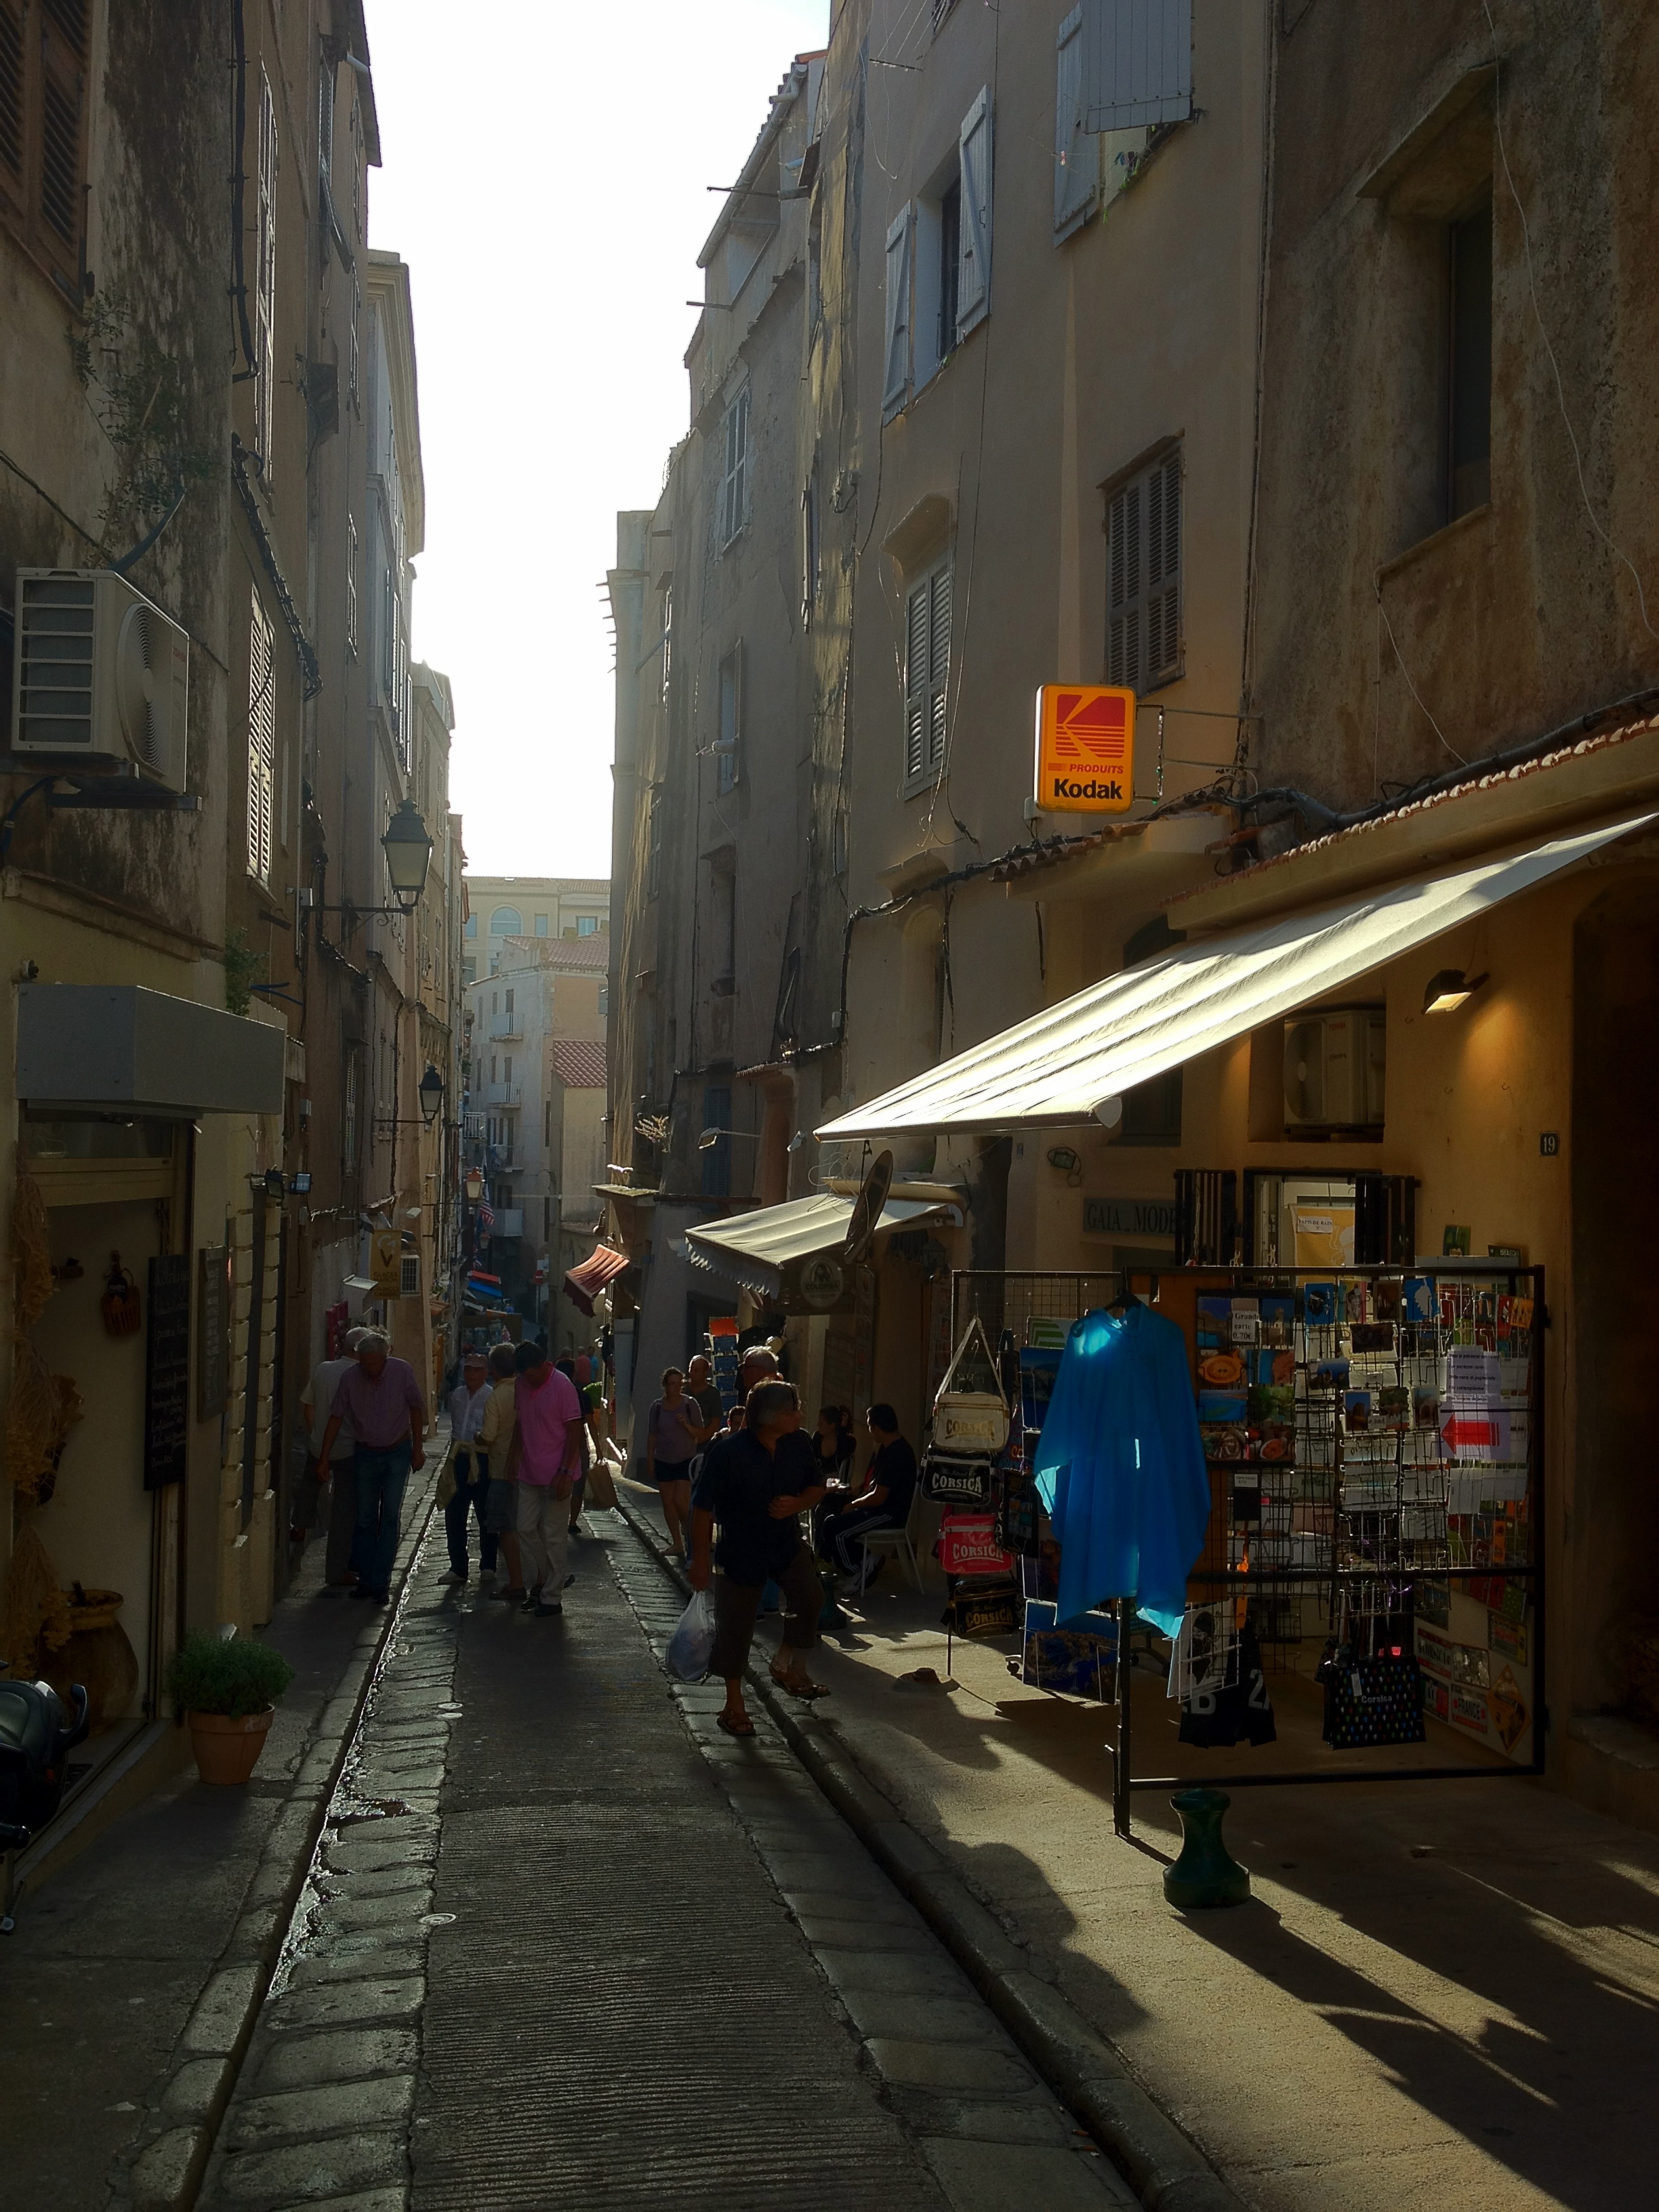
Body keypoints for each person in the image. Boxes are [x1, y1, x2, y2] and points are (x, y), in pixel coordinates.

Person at [689, 1380, 829, 1733]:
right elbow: (702, 1508)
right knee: (736, 1628)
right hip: (741, 1547)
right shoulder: (728, 1451)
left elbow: (817, 1486)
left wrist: (797, 1504)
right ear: (768, 1417)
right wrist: (701, 1561)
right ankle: (733, 1706)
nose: (798, 1415)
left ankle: (786, 1664)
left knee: (810, 1598)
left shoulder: (798, 1444)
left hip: (784, 1542)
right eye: (789, 1411)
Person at [317, 1328, 428, 1605]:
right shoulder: (350, 1378)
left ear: (385, 1357)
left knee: (389, 1515)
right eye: (364, 1362)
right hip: (365, 1452)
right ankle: (366, 1579)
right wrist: (324, 1457)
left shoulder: (402, 1372)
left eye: (374, 1363)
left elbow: (416, 1408)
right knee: (365, 1517)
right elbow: (335, 1417)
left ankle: (381, 1581)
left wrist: (417, 1449)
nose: (369, 1369)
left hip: (397, 1452)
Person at [512, 1341, 585, 1616]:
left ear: (544, 1365)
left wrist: (566, 1473)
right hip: (529, 1472)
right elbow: (521, 1423)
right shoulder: (521, 1384)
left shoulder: (562, 1386)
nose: (528, 1380)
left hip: (558, 1473)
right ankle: (548, 1576)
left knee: (554, 1535)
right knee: (524, 1528)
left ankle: (551, 1597)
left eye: (531, 1375)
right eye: (524, 1376)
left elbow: (575, 1431)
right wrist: (514, 1458)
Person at [817, 1402, 918, 1595]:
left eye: (870, 1425)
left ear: (878, 1428)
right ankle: (864, 1563)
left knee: (836, 1530)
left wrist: (855, 1504)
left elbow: (879, 1496)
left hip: (888, 1513)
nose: (869, 1430)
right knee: (830, 1516)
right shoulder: (886, 1449)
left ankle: (859, 1569)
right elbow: (873, 1486)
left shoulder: (897, 1454)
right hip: (876, 1507)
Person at [295, 1326, 366, 1585]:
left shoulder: (323, 1369)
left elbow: (308, 1406)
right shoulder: (360, 1375)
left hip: (319, 1445)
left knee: (310, 1481)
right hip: (347, 1449)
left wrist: (316, 1436)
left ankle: (300, 1523)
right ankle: (337, 1571)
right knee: (343, 1513)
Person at [476, 1343, 525, 1599]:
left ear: (494, 1370)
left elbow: (488, 1435)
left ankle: (516, 1583)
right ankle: (540, 1580)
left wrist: (477, 1438)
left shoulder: (495, 1397)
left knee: (505, 1528)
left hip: (502, 1469)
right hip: (527, 1469)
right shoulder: (525, 1390)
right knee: (528, 1527)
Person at [441, 1351, 494, 1585]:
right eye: (468, 1370)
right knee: (455, 1513)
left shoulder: (491, 1397)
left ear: (486, 1373)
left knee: (486, 1514)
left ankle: (488, 1565)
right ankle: (458, 1567)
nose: (471, 1374)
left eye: (476, 1370)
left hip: (482, 1459)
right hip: (459, 1457)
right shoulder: (457, 1396)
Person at [646, 1367, 701, 1559]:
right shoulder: (658, 1407)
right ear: (666, 1386)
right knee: (667, 1502)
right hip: (663, 1458)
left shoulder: (689, 1405)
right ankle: (677, 1542)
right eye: (672, 1384)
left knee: (681, 1500)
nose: (676, 1388)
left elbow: (699, 1433)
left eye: (679, 1384)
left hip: (685, 1458)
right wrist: (650, 1460)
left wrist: (686, 1424)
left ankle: (689, 1533)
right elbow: (652, 1435)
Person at [685, 1353, 724, 1442]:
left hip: (706, 1440)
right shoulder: (683, 1391)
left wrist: (702, 1439)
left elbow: (716, 1422)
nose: (692, 1373)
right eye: (691, 1370)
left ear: (705, 1373)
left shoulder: (713, 1394)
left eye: (696, 1370)